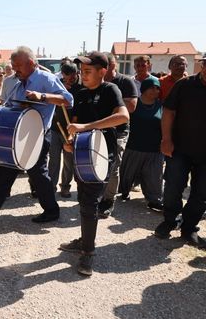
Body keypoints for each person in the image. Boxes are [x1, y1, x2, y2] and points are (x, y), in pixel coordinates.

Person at [0, 46, 73, 225]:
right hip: (19, 134)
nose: (15, 69)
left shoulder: (46, 79)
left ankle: (52, 211)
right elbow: (9, 104)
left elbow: (67, 100)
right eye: (13, 65)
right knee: (5, 171)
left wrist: (42, 96)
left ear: (31, 63)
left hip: (39, 135)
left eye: (18, 66)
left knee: (38, 174)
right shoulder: (19, 81)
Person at [59, 51, 129, 276]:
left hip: (102, 156)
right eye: (82, 71)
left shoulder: (111, 90)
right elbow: (75, 124)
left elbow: (123, 117)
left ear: (103, 71)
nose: (83, 75)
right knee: (84, 200)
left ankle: (88, 252)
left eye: (88, 71)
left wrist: (87, 127)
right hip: (81, 155)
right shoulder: (79, 94)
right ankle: (85, 240)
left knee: (90, 203)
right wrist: (69, 141)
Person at [153, 55, 206, 249]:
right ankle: (170, 220)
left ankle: (189, 227)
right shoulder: (184, 85)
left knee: (201, 193)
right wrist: (166, 139)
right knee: (173, 186)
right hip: (180, 148)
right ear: (202, 65)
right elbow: (168, 112)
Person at [97, 53, 138, 217]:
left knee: (113, 166)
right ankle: (98, 196)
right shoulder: (96, 83)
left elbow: (131, 106)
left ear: (113, 65)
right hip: (99, 130)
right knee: (98, 163)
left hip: (119, 131)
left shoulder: (125, 82)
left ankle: (108, 201)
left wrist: (110, 106)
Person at [118, 76, 164, 210]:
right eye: (151, 87)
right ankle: (124, 192)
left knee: (154, 177)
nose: (155, 91)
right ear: (143, 89)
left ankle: (154, 199)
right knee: (126, 176)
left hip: (154, 150)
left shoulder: (162, 106)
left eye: (157, 88)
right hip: (134, 147)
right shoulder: (134, 104)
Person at [48, 62, 82, 198]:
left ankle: (65, 187)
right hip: (55, 127)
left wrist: (72, 133)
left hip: (71, 128)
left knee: (69, 161)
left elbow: (79, 111)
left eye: (73, 78)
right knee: (54, 159)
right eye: (67, 77)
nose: (69, 81)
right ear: (62, 75)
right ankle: (51, 186)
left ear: (76, 74)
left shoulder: (80, 89)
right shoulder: (57, 84)